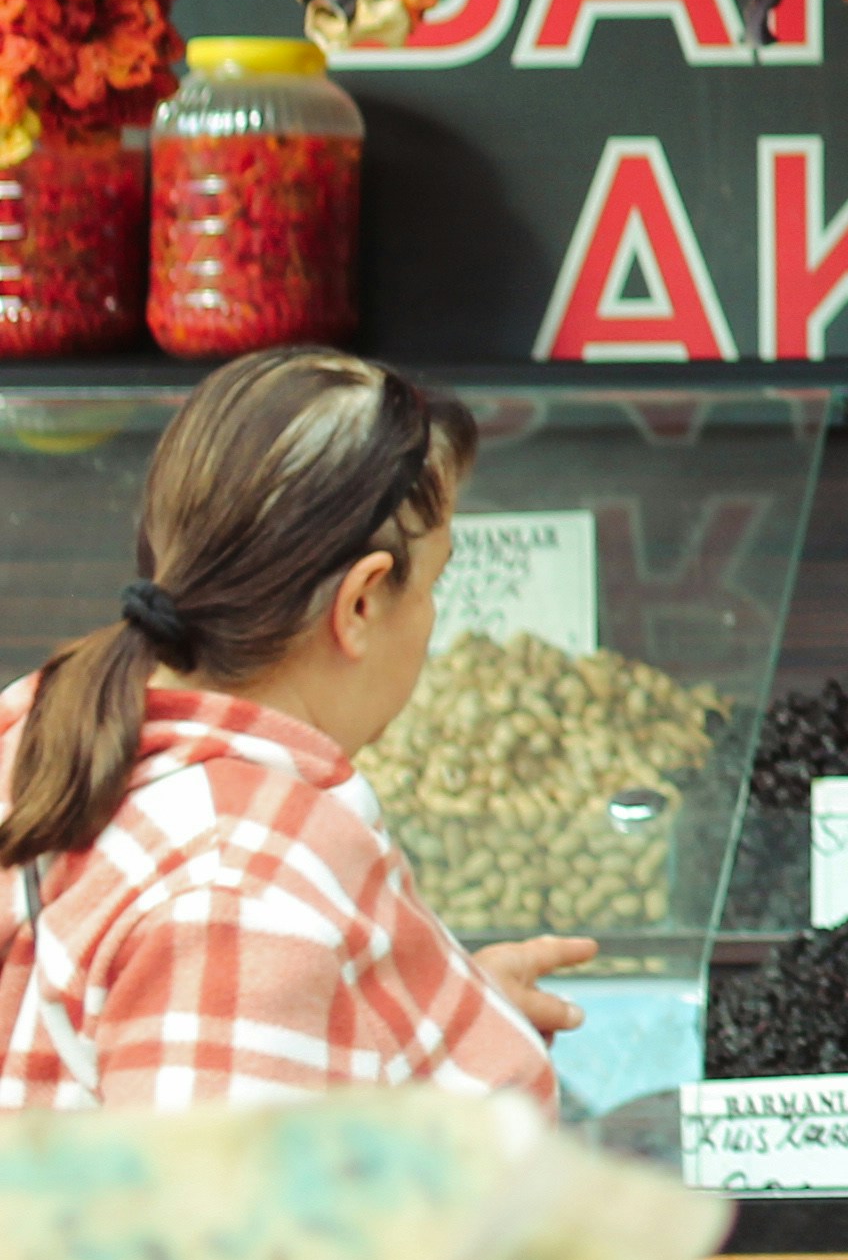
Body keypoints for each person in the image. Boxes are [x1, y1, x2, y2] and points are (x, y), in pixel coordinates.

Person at [0, 348, 591, 1104]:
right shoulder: (242, 887)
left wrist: (449, 1019)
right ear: (362, 604)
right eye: (435, 581)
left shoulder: (48, 719)